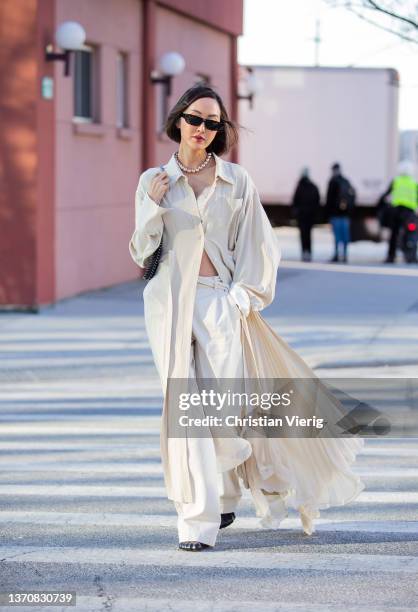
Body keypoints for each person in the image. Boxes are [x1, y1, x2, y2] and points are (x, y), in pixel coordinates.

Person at [129, 84, 365, 552]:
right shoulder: (153, 180)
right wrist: (152, 206)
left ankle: (227, 492)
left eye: (212, 123)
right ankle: (197, 523)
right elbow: (140, 251)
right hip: (169, 305)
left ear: (220, 130)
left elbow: (259, 243)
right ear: (178, 120)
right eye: (195, 119)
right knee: (187, 413)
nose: (201, 129)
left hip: (221, 301)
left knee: (222, 408)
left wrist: (245, 296)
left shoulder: (237, 180)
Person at [377, 161, 418, 263]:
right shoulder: (413, 183)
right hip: (409, 212)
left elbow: (386, 194)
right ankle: (411, 256)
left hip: (396, 212)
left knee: (394, 234)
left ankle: (391, 256)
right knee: (411, 233)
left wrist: (380, 206)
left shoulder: (396, 181)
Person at [325, 162, 356, 263]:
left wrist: (328, 213)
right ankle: (345, 255)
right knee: (345, 236)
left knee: (337, 236)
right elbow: (353, 195)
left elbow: (328, 199)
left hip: (335, 214)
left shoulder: (332, 181)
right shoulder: (345, 181)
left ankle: (337, 255)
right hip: (345, 214)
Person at [291, 167, 320, 262]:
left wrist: (296, 212)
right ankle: (309, 252)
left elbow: (295, 201)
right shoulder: (313, 186)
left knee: (303, 234)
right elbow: (317, 201)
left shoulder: (300, 186)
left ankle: (304, 252)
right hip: (310, 216)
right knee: (308, 234)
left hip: (302, 216)